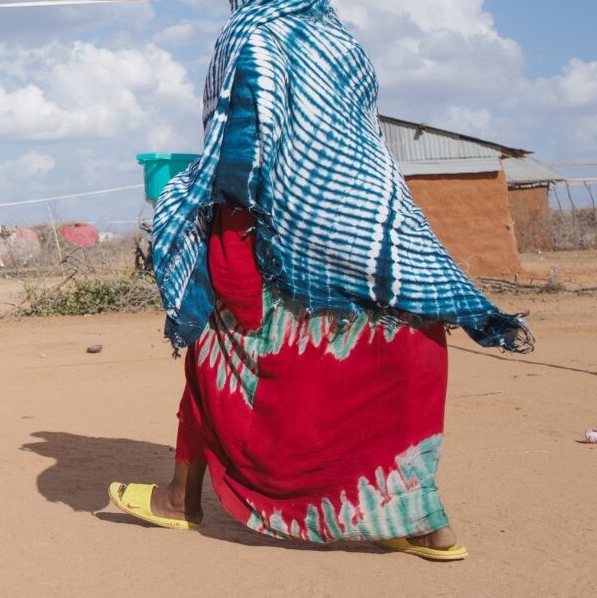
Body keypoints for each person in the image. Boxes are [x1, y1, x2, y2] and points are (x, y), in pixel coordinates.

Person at [111, 0, 532, 562]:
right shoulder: (342, 41)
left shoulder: (252, 32)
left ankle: (179, 499)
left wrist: (198, 206)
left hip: (286, 234)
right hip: (379, 232)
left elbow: (244, 146)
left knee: (214, 352)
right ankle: (423, 523)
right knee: (397, 360)